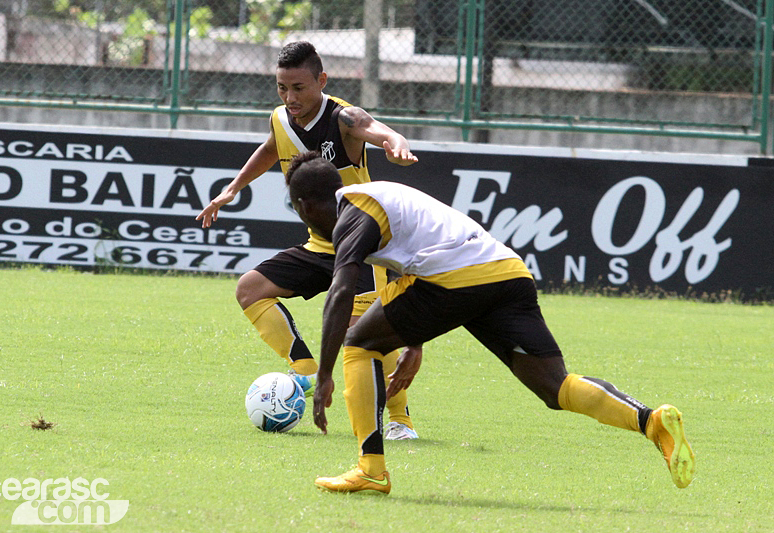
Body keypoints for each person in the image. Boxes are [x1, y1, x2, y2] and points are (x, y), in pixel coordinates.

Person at [284, 151, 696, 494]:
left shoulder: (353, 213)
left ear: (304, 205)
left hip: (454, 277)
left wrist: (323, 375)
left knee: (359, 343)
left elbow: (341, 292)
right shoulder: (378, 197)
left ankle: (371, 470)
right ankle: (651, 421)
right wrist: (414, 341)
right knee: (556, 387)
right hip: (504, 271)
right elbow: (410, 259)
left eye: (296, 209)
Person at [195, 41, 420, 440]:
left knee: (364, 336)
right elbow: (270, 148)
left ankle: (399, 422)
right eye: (282, 87)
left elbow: (375, 128)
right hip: (320, 245)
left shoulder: (343, 117)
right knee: (250, 289)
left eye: (298, 87)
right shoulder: (281, 118)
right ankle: (304, 369)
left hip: (363, 246)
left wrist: (394, 142)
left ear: (322, 80)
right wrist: (232, 188)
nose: (289, 97)